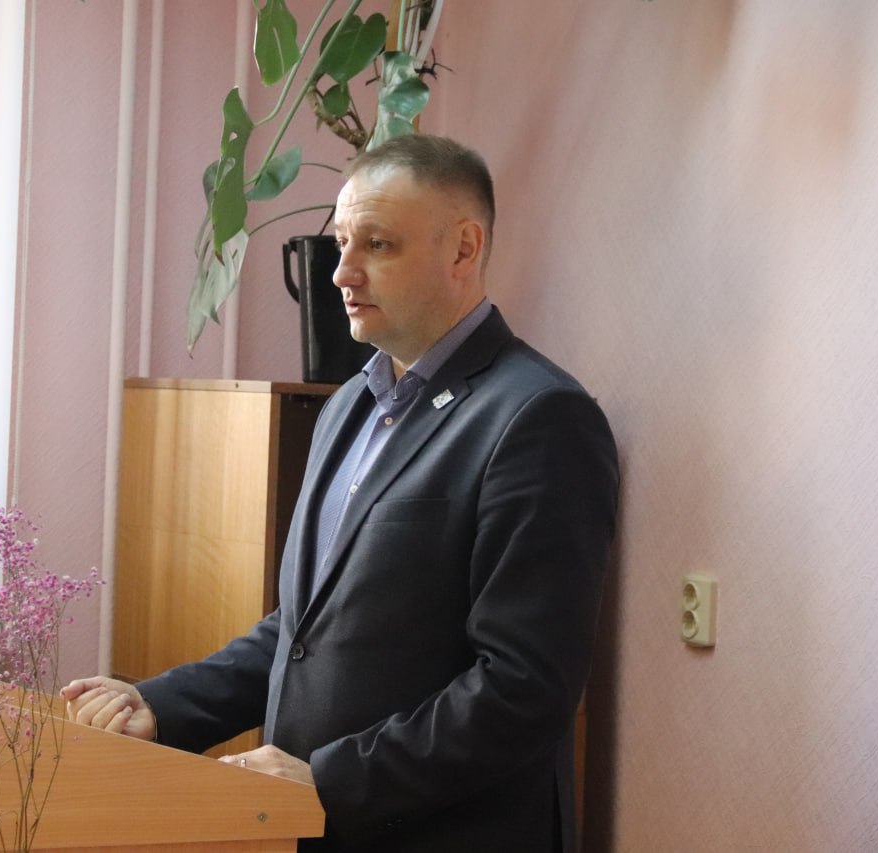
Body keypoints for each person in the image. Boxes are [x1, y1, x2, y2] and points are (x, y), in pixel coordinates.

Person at [63, 134, 619, 852]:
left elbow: (523, 687)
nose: (341, 272)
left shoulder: (540, 417)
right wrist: (161, 705)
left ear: (463, 248)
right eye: (342, 242)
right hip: (309, 828)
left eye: (377, 245)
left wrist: (328, 781)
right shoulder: (349, 404)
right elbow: (304, 631)